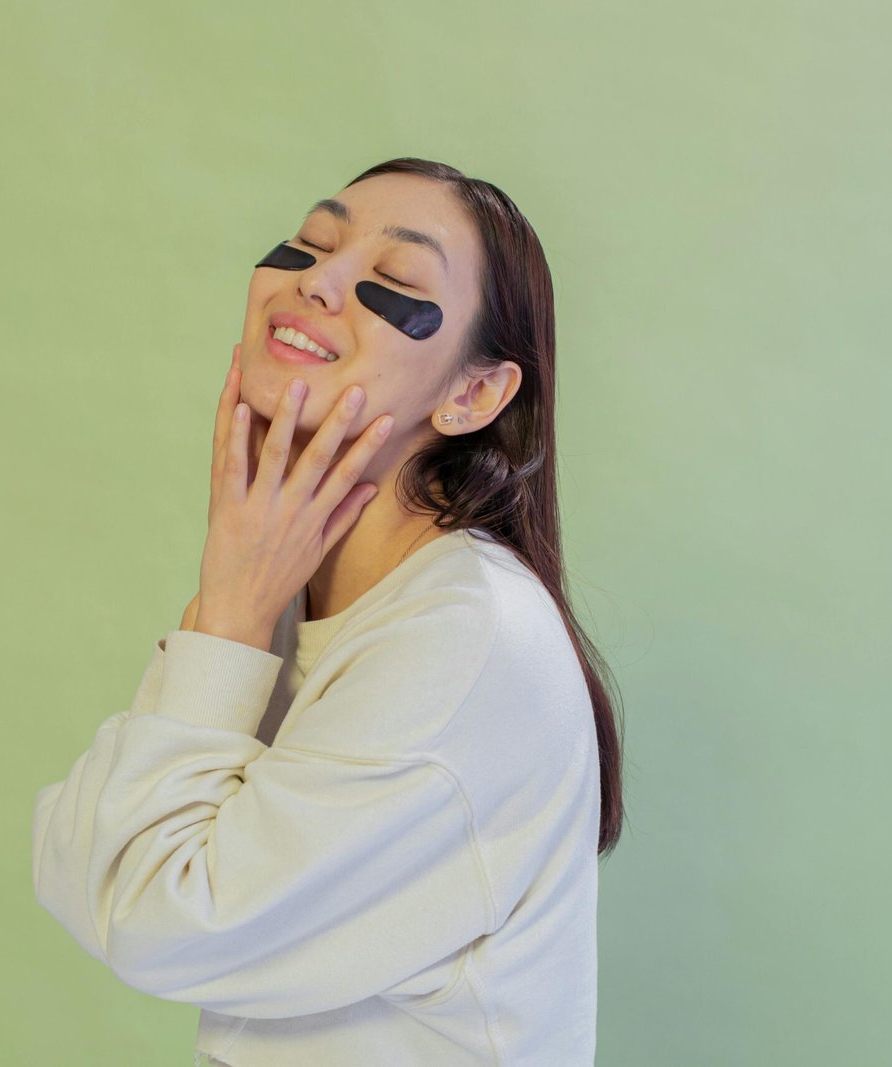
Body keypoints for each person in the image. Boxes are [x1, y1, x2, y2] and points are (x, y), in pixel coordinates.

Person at [32, 157, 626, 1065]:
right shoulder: (288, 592)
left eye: (392, 280)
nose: (317, 279)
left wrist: (227, 601)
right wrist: (238, 596)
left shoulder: (466, 640)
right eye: (310, 244)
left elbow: (150, 917)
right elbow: (80, 869)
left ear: (473, 395)